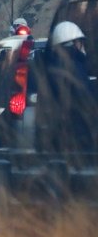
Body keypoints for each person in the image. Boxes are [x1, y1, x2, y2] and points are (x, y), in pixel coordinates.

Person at [49, 21, 95, 150]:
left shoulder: (53, 65)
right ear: (73, 43)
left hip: (59, 131)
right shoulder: (75, 66)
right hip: (78, 131)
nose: (81, 45)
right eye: (80, 42)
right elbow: (84, 96)